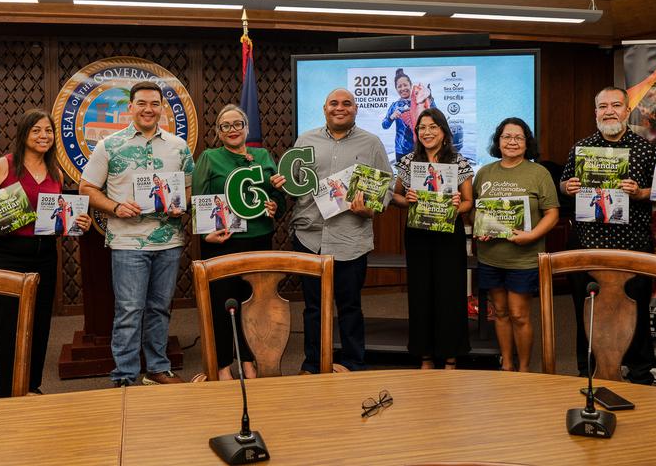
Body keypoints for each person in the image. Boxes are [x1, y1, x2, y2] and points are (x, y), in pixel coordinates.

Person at [0, 109, 92, 396]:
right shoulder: (2, 166)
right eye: (36, 130)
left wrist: (78, 222)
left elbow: (58, 219)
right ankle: (7, 393)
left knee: (38, 322)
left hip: (45, 254)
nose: (43, 136)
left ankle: (31, 386)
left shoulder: (56, 172)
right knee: (7, 325)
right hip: (7, 254)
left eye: (48, 131)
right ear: (24, 134)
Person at [79, 81, 193, 387]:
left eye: (154, 104)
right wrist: (115, 207)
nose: (148, 109)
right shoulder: (109, 145)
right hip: (128, 242)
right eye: (141, 103)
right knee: (129, 310)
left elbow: (188, 187)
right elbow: (87, 188)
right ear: (130, 108)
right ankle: (126, 375)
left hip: (168, 241)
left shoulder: (178, 146)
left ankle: (157, 368)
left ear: (162, 109)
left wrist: (180, 206)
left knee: (159, 308)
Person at [271, 88, 392, 373]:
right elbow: (295, 184)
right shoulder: (306, 140)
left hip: (351, 239)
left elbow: (385, 194)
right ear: (325, 108)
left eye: (347, 103)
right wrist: (281, 183)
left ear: (356, 109)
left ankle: (353, 362)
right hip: (309, 238)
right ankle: (313, 363)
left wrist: (369, 208)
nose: (340, 108)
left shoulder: (372, 143)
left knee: (349, 307)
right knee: (313, 308)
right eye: (334, 103)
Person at [560, 86, 656, 383]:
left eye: (616, 105)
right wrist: (569, 188)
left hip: (632, 248)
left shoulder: (647, 150)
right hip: (588, 247)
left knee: (636, 311)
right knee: (587, 312)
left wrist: (640, 192)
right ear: (596, 113)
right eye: (603, 106)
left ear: (627, 110)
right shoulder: (581, 149)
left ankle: (641, 372)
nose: (609, 111)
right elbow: (564, 185)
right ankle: (586, 370)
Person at [192, 103, 285, 380]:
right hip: (222, 242)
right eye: (225, 126)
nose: (232, 130)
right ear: (218, 132)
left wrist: (274, 204)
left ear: (246, 128)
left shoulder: (263, 155)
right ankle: (222, 364)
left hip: (259, 240)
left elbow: (278, 198)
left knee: (253, 304)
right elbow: (199, 200)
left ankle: (249, 360)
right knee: (223, 303)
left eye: (237, 124)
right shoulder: (209, 157)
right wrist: (204, 234)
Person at [473, 118, 559, 372]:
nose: (512, 142)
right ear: (498, 141)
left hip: (524, 258)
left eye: (518, 137)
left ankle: (523, 369)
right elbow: (478, 212)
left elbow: (552, 213)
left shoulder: (538, 173)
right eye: (506, 137)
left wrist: (532, 236)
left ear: (526, 142)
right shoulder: (485, 173)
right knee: (499, 312)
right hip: (491, 257)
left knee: (520, 315)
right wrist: (481, 229)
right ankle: (507, 365)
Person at [391, 108, 474, 369]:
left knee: (450, 293)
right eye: (422, 128)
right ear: (416, 133)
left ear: (443, 132)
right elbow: (395, 197)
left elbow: (469, 202)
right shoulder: (407, 162)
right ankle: (424, 355)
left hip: (449, 235)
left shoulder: (458, 161)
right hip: (418, 235)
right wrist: (408, 199)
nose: (427, 132)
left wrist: (456, 205)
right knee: (420, 293)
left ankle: (450, 356)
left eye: (433, 127)